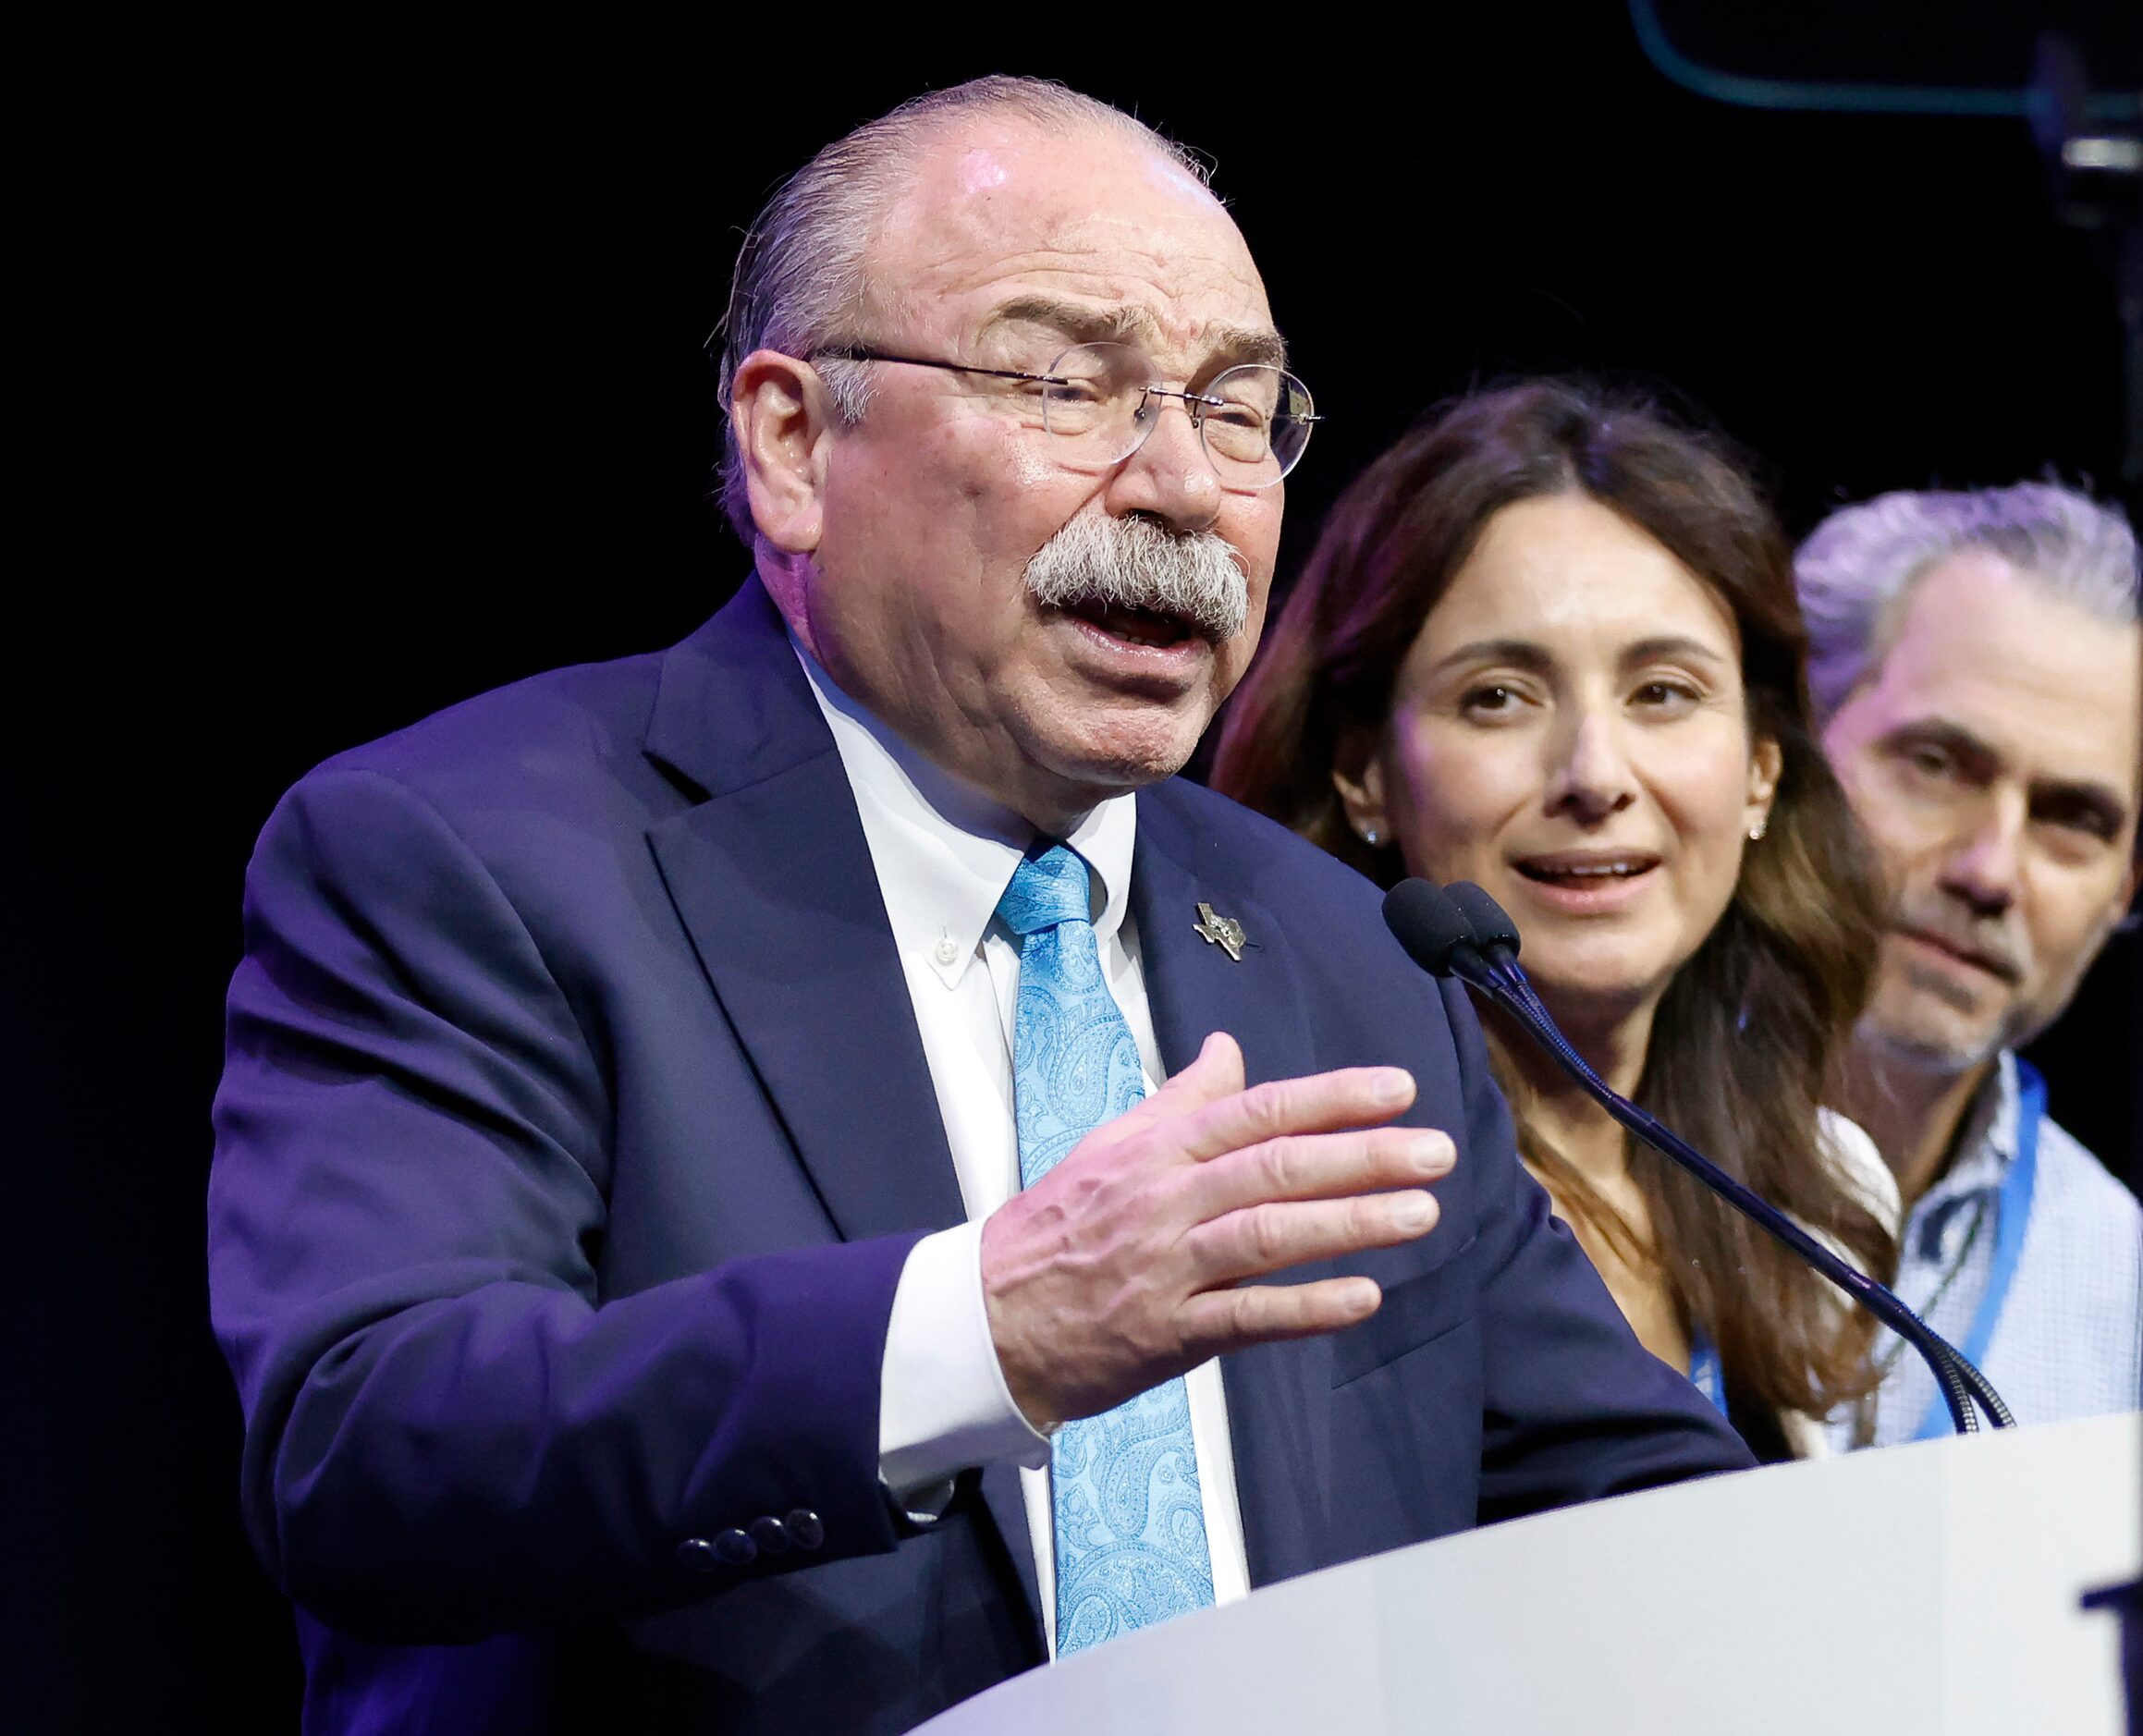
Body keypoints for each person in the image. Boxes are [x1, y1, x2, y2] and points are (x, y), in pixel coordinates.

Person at [207, 83, 1748, 1734]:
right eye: (1060, 382)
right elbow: (370, 1445)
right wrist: (978, 1332)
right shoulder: (472, 856)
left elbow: (1638, 1513)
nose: (1180, 487)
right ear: (793, 442)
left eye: (1237, 409)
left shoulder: (1344, 948)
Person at [1213, 380, 1898, 1460]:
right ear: (1362, 774)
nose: (1593, 776)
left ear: (1761, 772)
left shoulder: (1821, 1191)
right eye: (1497, 697)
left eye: (1662, 693)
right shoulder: (1291, 1193)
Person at [1795, 482, 2143, 1447]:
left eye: (2072, 820)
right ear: (1777, 753)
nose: (1989, 871)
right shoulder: (1565, 1168)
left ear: (2122, 888)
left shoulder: (2119, 1285)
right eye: (1936, 764)